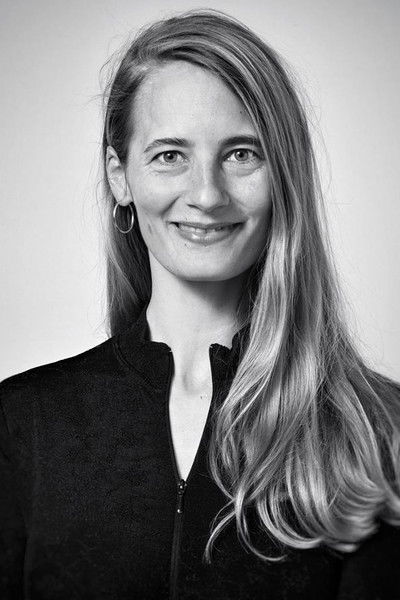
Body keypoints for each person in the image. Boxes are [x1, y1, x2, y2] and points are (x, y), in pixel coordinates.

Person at [1, 8, 400, 600]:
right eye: (170, 155)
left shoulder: (377, 431)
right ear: (120, 176)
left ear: (284, 174)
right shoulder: (22, 423)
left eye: (242, 153)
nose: (208, 194)